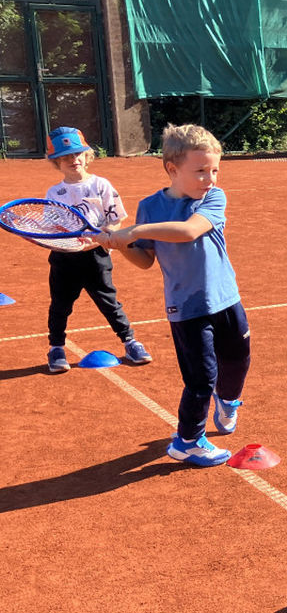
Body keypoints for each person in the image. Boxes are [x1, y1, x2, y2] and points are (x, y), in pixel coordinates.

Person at [89, 124, 250, 467]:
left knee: (238, 362)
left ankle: (228, 400)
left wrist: (135, 230)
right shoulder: (150, 206)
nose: (210, 178)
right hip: (186, 308)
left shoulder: (212, 198)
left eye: (215, 170)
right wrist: (119, 244)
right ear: (172, 169)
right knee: (200, 378)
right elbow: (145, 260)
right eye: (201, 171)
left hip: (226, 297)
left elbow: (190, 230)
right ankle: (188, 441)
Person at [43, 126, 151, 373]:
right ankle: (56, 348)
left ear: (87, 156)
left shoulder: (101, 185)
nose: (74, 160)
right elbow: (51, 229)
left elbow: (115, 220)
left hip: (97, 257)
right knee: (60, 305)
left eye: (78, 154)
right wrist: (65, 241)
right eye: (66, 157)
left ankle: (130, 342)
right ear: (56, 162)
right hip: (64, 259)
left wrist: (100, 238)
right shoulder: (54, 193)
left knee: (109, 302)